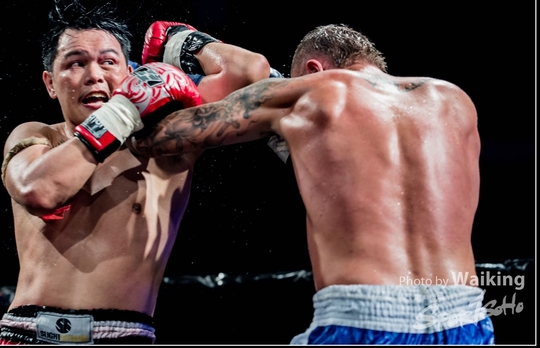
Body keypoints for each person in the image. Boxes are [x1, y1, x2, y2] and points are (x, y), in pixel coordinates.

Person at [130, 24, 495, 344]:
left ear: (312, 69)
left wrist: (188, 47)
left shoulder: (309, 93)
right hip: (465, 318)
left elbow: (154, 139)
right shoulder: (454, 101)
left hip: (362, 318)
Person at [0, 0, 271, 345]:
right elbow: (39, 190)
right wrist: (120, 114)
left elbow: (250, 74)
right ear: (50, 82)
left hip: (123, 334)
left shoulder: (166, 141)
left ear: (131, 73)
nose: (94, 75)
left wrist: (182, 40)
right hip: (28, 333)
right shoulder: (37, 136)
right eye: (76, 63)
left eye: (108, 62)